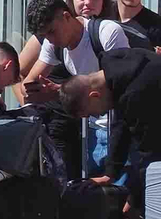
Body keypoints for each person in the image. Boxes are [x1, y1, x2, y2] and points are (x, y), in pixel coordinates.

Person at [21, 0, 129, 177]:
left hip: (124, 132)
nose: (50, 39)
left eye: (52, 31)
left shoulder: (106, 32)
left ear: (66, 16)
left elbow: (119, 83)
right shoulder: (52, 44)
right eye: (45, 35)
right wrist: (38, 93)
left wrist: (60, 91)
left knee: (124, 200)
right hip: (92, 131)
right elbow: (29, 83)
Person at [59, 45, 161, 208]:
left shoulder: (136, 94)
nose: (98, 115)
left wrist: (133, 198)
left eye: (92, 112)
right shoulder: (116, 64)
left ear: (94, 95)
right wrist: (110, 174)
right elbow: (120, 124)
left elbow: (149, 152)